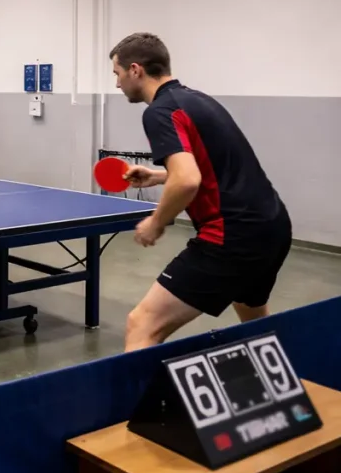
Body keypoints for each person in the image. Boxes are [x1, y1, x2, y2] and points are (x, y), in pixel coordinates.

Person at [110, 32, 292, 352]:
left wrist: (156, 222)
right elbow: (213, 167)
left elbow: (188, 181)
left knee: (142, 325)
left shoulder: (159, 111)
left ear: (135, 70)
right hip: (272, 227)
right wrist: (158, 175)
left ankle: (140, 405)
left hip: (231, 235)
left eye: (117, 74)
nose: (117, 84)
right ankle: (284, 392)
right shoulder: (197, 99)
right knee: (254, 320)